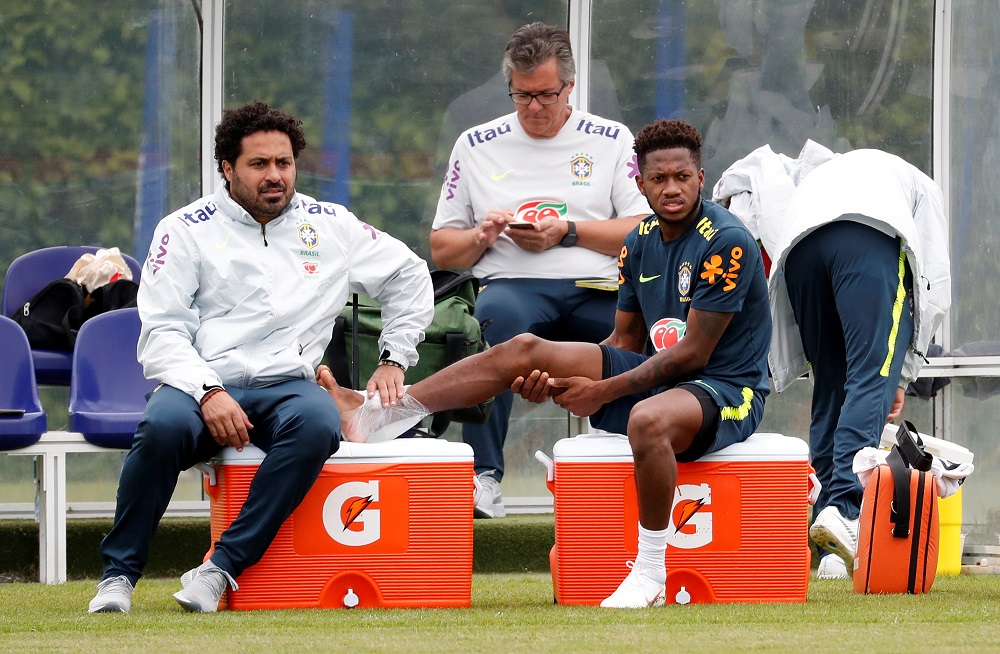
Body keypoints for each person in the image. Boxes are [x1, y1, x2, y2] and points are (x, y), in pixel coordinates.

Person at [322, 118, 772, 608]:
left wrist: (602, 392)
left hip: (726, 389)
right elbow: (624, 339)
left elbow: (693, 355)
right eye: (658, 179)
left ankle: (649, 572)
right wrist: (553, 380)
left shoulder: (726, 240)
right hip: (665, 377)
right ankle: (384, 412)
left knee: (648, 418)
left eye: (682, 177)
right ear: (639, 183)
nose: (671, 189)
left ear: (701, 179)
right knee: (524, 349)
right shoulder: (639, 239)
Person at [87, 101, 434, 614]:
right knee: (160, 430)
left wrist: (394, 357)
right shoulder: (183, 229)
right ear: (227, 169)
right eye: (258, 164)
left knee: (319, 426)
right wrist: (208, 392)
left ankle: (219, 568)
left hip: (287, 386)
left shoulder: (332, 224)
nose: (275, 176)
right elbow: (162, 332)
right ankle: (117, 577)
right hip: (198, 383)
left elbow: (409, 275)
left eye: (284, 163)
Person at [429, 23, 652, 518]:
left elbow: (645, 227)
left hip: (597, 284)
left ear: (569, 87)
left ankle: (620, 459)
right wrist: (482, 238)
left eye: (546, 95)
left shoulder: (610, 138)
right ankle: (484, 477)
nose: (533, 107)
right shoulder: (475, 143)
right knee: (491, 321)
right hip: (513, 283)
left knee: (646, 337)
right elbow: (443, 249)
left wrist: (568, 231)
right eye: (521, 95)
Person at [713, 145, 951, 579]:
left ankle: (829, 548)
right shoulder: (920, 186)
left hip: (802, 251)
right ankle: (844, 506)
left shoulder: (823, 176)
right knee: (870, 376)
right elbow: (933, 275)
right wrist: (904, 373)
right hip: (869, 239)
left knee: (831, 388)